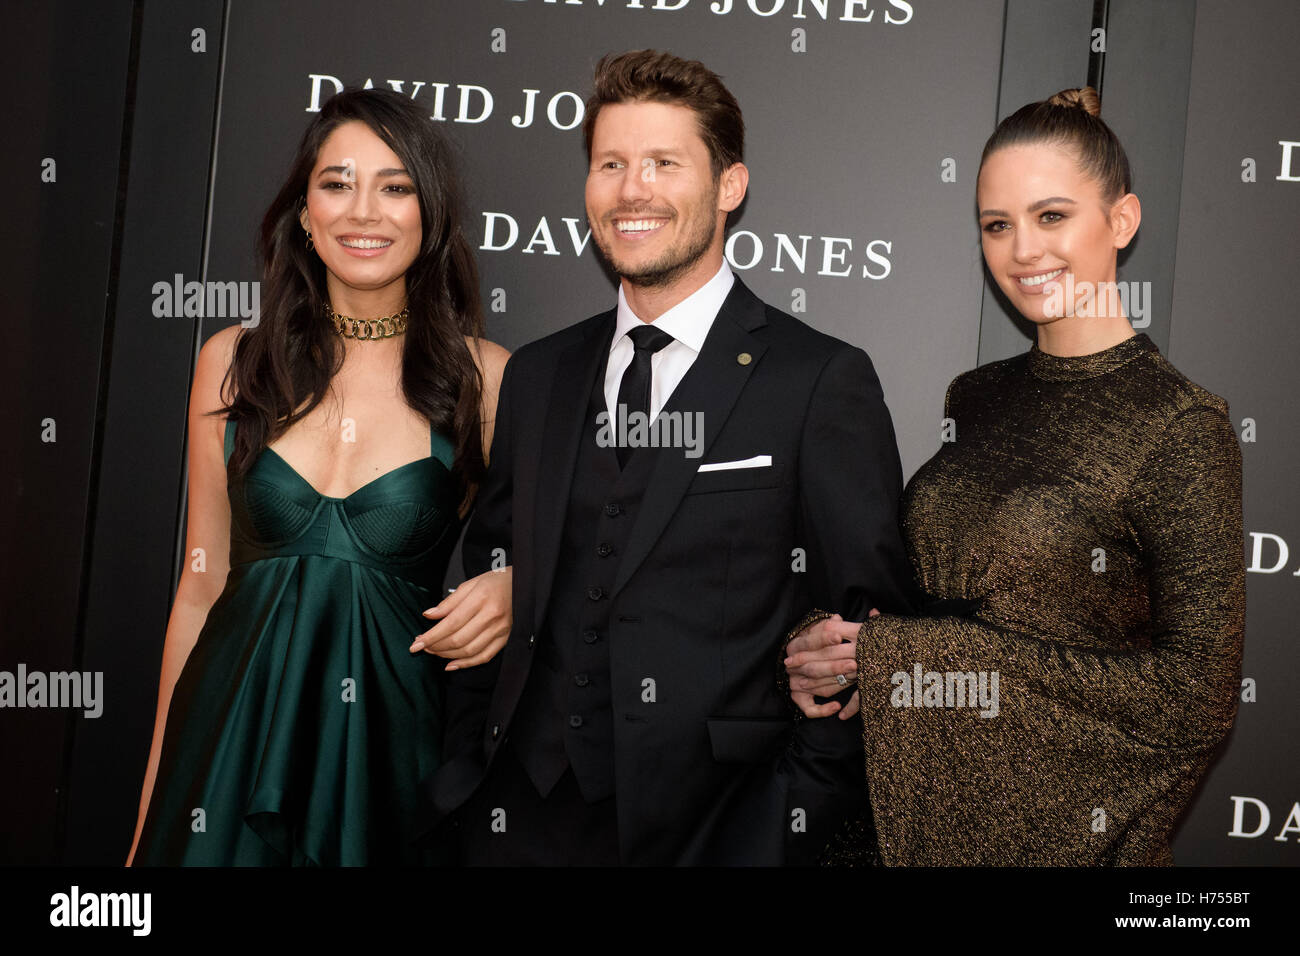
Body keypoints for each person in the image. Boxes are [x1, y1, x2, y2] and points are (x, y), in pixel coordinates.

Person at [421, 49, 915, 866]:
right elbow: (493, 578)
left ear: (729, 186)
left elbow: (867, 642)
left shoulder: (819, 379)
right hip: (514, 817)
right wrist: (468, 770)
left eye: (662, 163)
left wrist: (773, 832)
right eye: (610, 163)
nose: (631, 190)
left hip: (710, 829)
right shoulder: (540, 373)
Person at [784, 88, 1245, 865]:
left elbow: (1195, 699)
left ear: (1122, 221)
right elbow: (922, 607)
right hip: (902, 813)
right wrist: (847, 654)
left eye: (1052, 216)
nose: (1023, 250)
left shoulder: (1180, 425)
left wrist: (913, 661)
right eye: (998, 225)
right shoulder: (979, 393)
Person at [127, 88, 511, 866]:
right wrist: (149, 816)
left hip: (386, 764)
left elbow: (572, 567)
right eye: (337, 183)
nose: (363, 211)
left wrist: (516, 585)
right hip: (225, 750)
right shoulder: (232, 361)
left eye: (395, 187)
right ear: (304, 212)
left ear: (429, 213)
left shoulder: (487, 379)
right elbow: (200, 590)